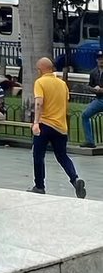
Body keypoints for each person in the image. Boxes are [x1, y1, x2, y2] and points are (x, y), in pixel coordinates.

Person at [30, 56, 86, 197]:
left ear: (41, 69)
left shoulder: (40, 82)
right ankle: (75, 179)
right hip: (60, 127)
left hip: (44, 124)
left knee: (38, 156)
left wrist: (36, 123)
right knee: (62, 156)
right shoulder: (62, 84)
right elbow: (65, 104)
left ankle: (39, 186)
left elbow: (39, 103)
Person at [81, 50, 103, 147]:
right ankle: (90, 141)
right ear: (96, 60)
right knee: (85, 115)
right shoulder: (93, 72)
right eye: (99, 58)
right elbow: (89, 86)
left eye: (102, 58)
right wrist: (93, 89)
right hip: (99, 99)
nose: (101, 60)